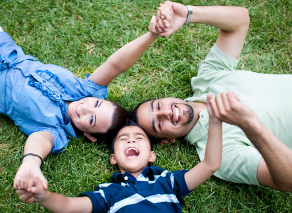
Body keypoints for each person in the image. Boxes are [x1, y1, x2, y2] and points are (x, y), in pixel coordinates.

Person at [0, 8, 170, 191]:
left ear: (89, 135)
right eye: (96, 104)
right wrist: (151, 35)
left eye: (91, 119)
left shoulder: (56, 132)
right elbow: (116, 64)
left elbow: (39, 141)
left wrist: (31, 163)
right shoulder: (86, 90)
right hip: (6, 48)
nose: (85, 108)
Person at [130, 1, 292, 192]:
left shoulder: (207, 79)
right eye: (158, 124)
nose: (166, 112)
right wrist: (251, 126)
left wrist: (189, 14)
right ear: (167, 140)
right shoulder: (220, 154)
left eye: (157, 106)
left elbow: (240, 21)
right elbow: (287, 181)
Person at [15, 95, 222, 212]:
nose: (131, 140)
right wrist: (43, 196)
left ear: (152, 156)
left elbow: (210, 164)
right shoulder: (109, 193)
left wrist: (215, 121)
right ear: (113, 158)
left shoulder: (169, 183)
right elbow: (69, 206)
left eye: (140, 138)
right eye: (123, 139)